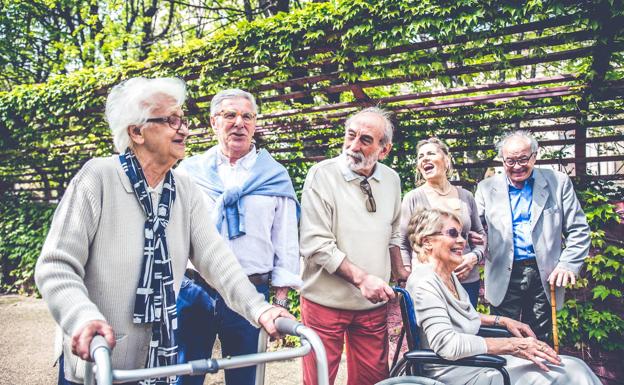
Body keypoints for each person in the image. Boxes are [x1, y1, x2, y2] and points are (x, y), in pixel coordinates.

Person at [34, 77, 292, 385]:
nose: (183, 129)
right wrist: (82, 317)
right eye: (170, 120)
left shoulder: (184, 189)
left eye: (182, 120)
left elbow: (217, 260)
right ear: (136, 132)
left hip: (156, 362)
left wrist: (260, 309)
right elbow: (56, 265)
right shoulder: (98, 178)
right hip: (100, 359)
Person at [174, 88, 301, 385]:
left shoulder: (274, 175)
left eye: (247, 116)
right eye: (229, 115)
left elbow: (286, 243)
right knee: (183, 375)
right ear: (213, 122)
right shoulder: (188, 173)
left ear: (255, 124)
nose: (239, 123)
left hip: (253, 291)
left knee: (247, 377)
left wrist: (280, 303)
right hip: (194, 291)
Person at [405, 207, 601, 385]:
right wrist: (512, 345)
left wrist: (502, 321)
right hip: (456, 372)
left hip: (475, 362)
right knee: (566, 376)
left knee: (574, 366)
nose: (462, 241)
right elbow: (448, 345)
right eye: (453, 233)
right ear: (427, 241)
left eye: (463, 234)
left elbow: (460, 315)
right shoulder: (425, 282)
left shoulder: (447, 276)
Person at [299, 107, 409, 385]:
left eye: (365, 140)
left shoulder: (392, 179)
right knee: (319, 381)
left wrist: (401, 272)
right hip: (325, 302)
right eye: (350, 136)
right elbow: (316, 243)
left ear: (384, 150)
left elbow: (394, 231)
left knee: (372, 381)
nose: (353, 145)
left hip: (373, 304)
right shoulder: (321, 175)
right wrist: (362, 279)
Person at [475, 130, 591, 341]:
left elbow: (579, 230)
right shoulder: (486, 188)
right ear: (502, 160)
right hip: (503, 273)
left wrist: (567, 264)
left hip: (544, 274)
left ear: (535, 156)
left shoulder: (558, 182)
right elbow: (476, 230)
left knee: (539, 338)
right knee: (504, 340)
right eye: (510, 161)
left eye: (523, 159)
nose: (517, 166)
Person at [399, 137, 486, 307]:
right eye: (420, 156)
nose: (424, 159)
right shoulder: (413, 198)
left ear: (446, 160)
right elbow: (402, 242)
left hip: (466, 281)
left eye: (431, 153)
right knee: (433, 331)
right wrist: (409, 276)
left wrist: (474, 257)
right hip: (430, 282)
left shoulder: (466, 196)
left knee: (468, 328)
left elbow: (481, 235)